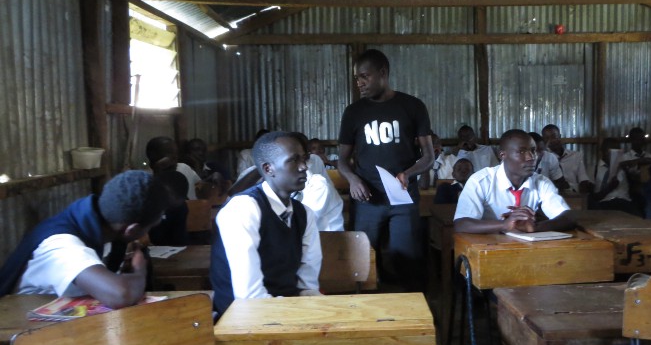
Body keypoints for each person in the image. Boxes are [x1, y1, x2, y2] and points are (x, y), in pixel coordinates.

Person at [337, 49, 434, 290]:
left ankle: (409, 317)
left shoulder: (412, 107)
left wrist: (408, 173)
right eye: (357, 78)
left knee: (407, 263)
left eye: (364, 77)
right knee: (364, 264)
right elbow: (341, 160)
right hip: (367, 199)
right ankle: (368, 318)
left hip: (403, 198)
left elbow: (429, 157)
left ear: (382, 73)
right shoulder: (354, 112)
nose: (360, 83)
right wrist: (352, 179)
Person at [0, 171, 170, 307]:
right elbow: (120, 294)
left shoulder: (96, 223)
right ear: (131, 229)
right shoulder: (61, 245)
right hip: (19, 336)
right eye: (150, 227)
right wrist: (139, 270)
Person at [210, 132, 322, 315]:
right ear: (268, 168)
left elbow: (307, 284)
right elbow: (250, 297)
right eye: (293, 160)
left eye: (304, 159)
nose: (304, 167)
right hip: (240, 317)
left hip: (286, 310)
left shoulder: (303, 214)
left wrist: (315, 310)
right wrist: (297, 312)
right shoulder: (243, 209)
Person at [454, 129, 573, 234]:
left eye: (533, 150)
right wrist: (505, 224)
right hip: (488, 249)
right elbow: (461, 223)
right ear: (503, 155)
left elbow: (567, 217)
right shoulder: (480, 181)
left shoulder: (541, 182)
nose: (531, 157)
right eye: (521, 152)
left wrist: (533, 227)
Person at [590, 137, 640, 216]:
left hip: (625, 203)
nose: (614, 154)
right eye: (611, 151)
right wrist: (609, 188)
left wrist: (628, 171)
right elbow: (592, 197)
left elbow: (634, 187)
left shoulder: (624, 168)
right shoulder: (594, 169)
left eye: (617, 151)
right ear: (602, 151)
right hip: (605, 204)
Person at [541, 124, 593, 194]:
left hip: (573, 195)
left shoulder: (576, 156)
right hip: (553, 195)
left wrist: (581, 198)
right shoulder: (544, 159)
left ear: (559, 136)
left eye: (554, 136)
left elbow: (583, 179)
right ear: (543, 141)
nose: (551, 141)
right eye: (547, 138)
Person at [146, 136, 200, 200]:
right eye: (169, 153)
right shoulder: (146, 178)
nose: (175, 157)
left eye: (176, 153)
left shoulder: (184, 168)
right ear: (153, 156)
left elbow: (200, 185)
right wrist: (158, 171)